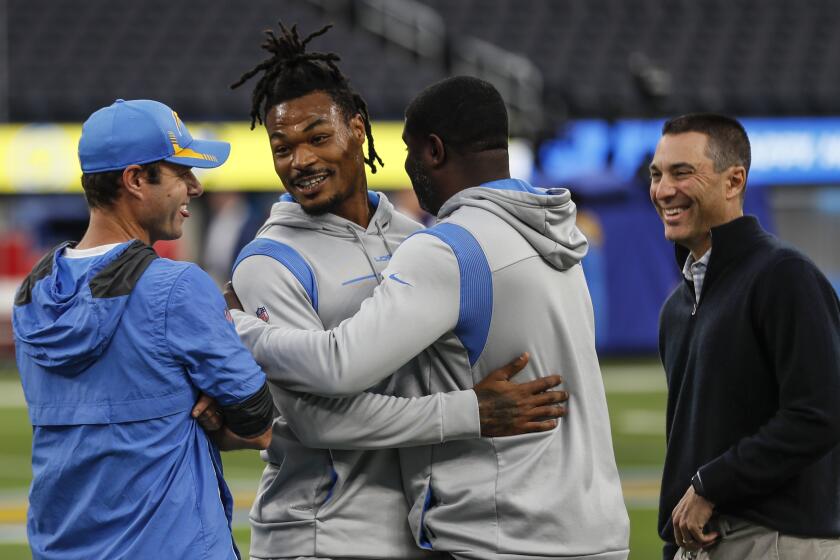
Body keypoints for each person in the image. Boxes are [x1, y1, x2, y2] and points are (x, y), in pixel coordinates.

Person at [229, 75, 630, 560]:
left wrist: (239, 329)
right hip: (322, 535)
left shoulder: (426, 243)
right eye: (282, 147)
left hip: (463, 533)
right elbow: (313, 421)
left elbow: (340, 363)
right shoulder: (269, 261)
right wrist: (468, 412)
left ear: (358, 129)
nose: (301, 160)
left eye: (317, 137)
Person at [12, 99, 275, 559]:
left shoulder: (32, 293)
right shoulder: (177, 286)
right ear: (134, 180)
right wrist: (211, 412)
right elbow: (259, 424)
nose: (195, 187)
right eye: (180, 173)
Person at [648, 113, 840, 559]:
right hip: (705, 544)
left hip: (778, 541)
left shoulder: (784, 275)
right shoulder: (676, 307)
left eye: (682, 173)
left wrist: (711, 485)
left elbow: (820, 412)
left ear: (734, 181)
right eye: (657, 175)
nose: (663, 191)